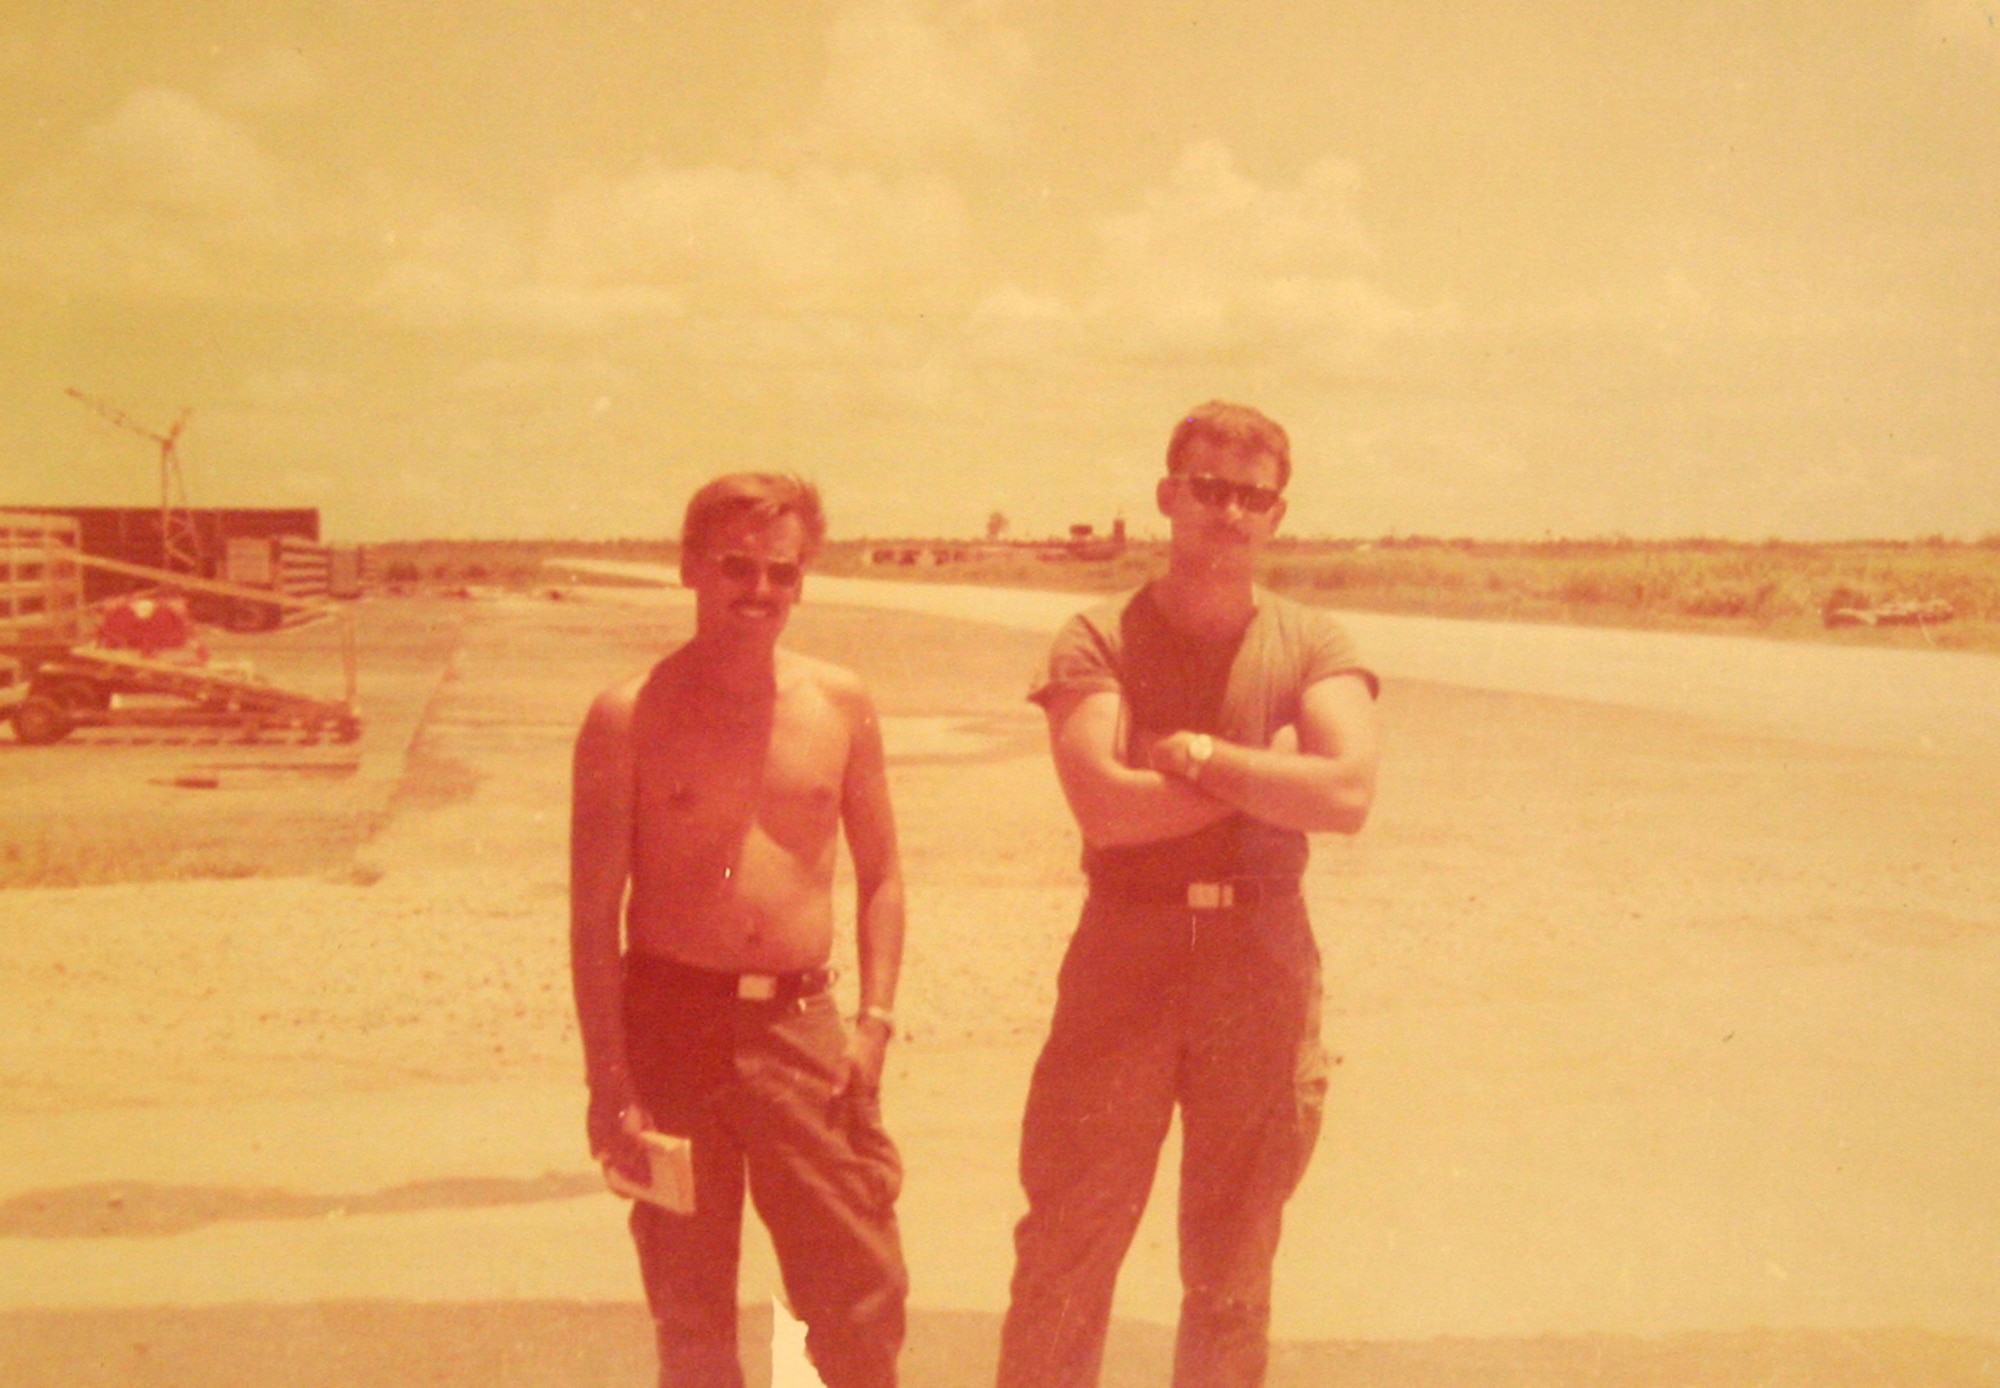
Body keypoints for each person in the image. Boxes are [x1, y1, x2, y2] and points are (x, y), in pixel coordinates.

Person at [996, 402, 1381, 1388]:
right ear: (1168, 495)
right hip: (1126, 954)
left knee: (1233, 1264)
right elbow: (1105, 810)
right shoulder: (1097, 636)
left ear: (1276, 514)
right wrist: (1267, 776)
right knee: (1068, 1245)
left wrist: (1201, 757)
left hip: (1259, 959)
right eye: (1208, 488)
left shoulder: (1310, 641)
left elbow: (1346, 795)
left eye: (1252, 496)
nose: (1229, 511)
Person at [570, 473, 908, 1388]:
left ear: (803, 579)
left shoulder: (839, 703)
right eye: (736, 566)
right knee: (690, 1310)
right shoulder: (626, 715)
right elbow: (593, 919)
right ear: (689, 567)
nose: (760, 590)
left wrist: (874, 1026)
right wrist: (610, 1081)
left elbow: (882, 876)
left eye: (782, 572)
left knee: (860, 1292)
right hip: (671, 1029)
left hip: (802, 1030)